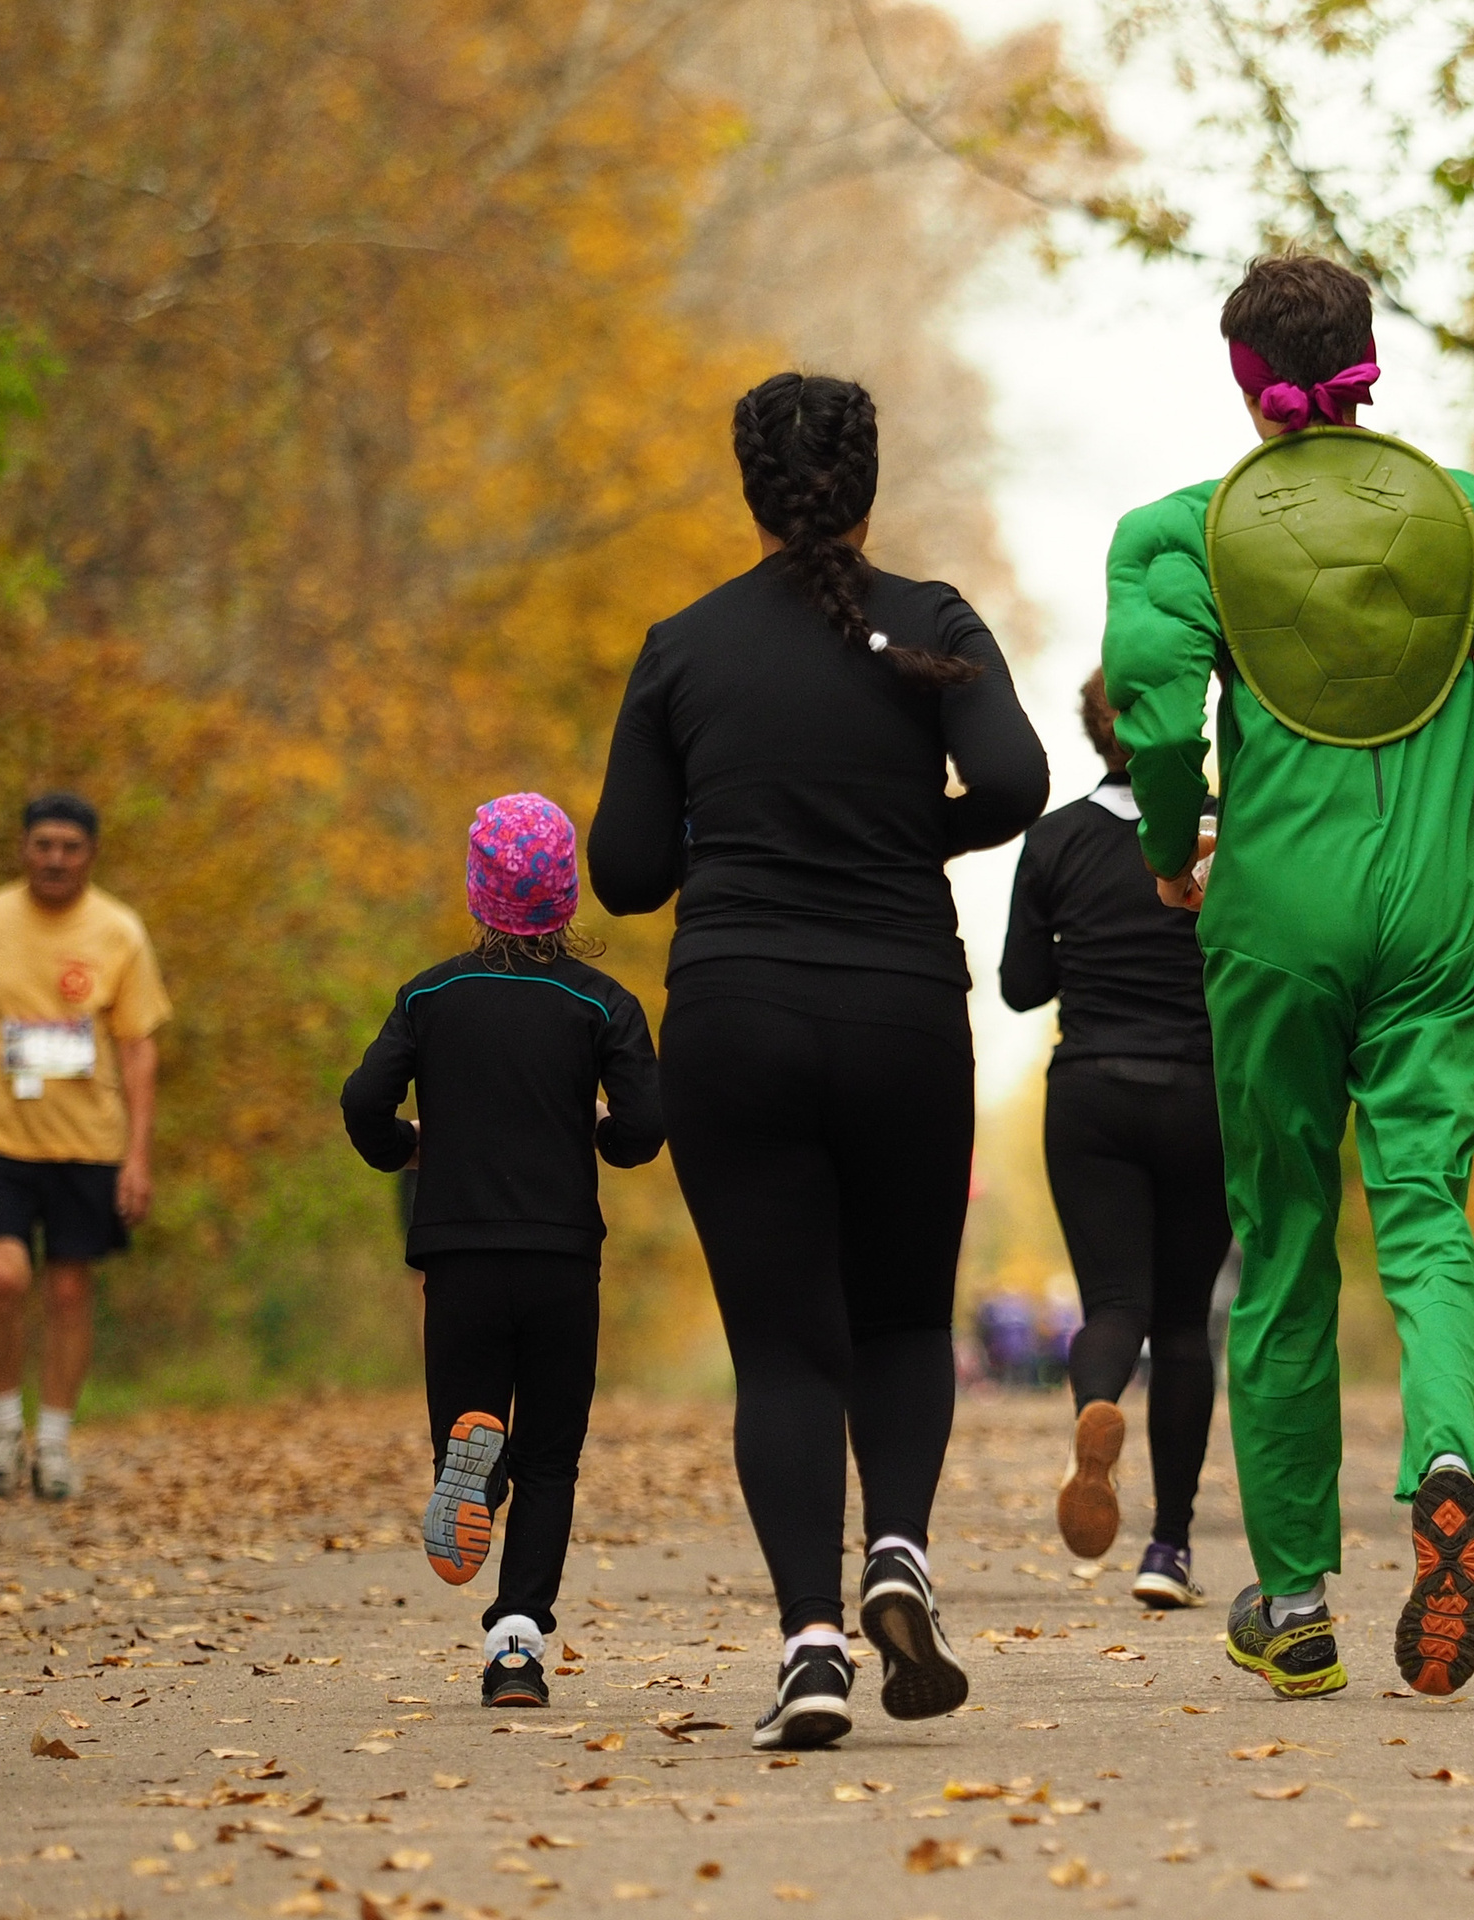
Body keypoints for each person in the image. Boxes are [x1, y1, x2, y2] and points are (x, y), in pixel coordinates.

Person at [1102, 255, 1474, 1701]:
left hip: (1272, 915)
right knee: (1427, 1211)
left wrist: (1165, 843)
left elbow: (1150, 697)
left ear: (1247, 382)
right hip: (1440, 910)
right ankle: (1446, 1454)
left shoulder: (1179, 532)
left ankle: (1298, 1596)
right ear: (1371, 358)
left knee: (1285, 1235)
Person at [588, 371, 1047, 1752]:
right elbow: (1019, 784)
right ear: (869, 479)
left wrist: (733, 846)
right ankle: (897, 1549)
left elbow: (618, 869)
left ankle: (809, 1645)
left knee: (784, 1352)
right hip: (902, 1007)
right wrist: (916, 841)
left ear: (752, 488)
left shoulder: (683, 646)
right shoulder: (932, 621)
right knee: (904, 1318)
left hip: (734, 1014)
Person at [341, 793, 664, 1710]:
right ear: (565, 895)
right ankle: (517, 1643)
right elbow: (646, 1127)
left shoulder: (431, 995)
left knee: (467, 1431)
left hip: (459, 1256)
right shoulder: (600, 1003)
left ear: (480, 892)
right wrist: (600, 1133)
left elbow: (363, 1101)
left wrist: (404, 1145)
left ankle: (475, 1458)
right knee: (554, 1456)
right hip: (561, 1257)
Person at [1000, 668, 1228, 1608]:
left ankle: (1096, 1410)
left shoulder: (1054, 839)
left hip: (1091, 1091)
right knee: (1183, 1325)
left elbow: (1019, 986)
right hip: (1202, 1091)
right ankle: (1167, 1550)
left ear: (1093, 736)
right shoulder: (1227, 831)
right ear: (1190, 733)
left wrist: (1079, 948)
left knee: (1114, 1307)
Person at [0, 791, 170, 1500]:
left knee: (71, 1290)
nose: (54, 858)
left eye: (70, 847)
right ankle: (1, 1425)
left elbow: (138, 1045)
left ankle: (52, 1440)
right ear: (23, 848)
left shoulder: (118, 930)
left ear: (91, 854)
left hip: (86, 1139)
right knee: (4, 1276)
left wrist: (138, 1156)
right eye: (43, 844)